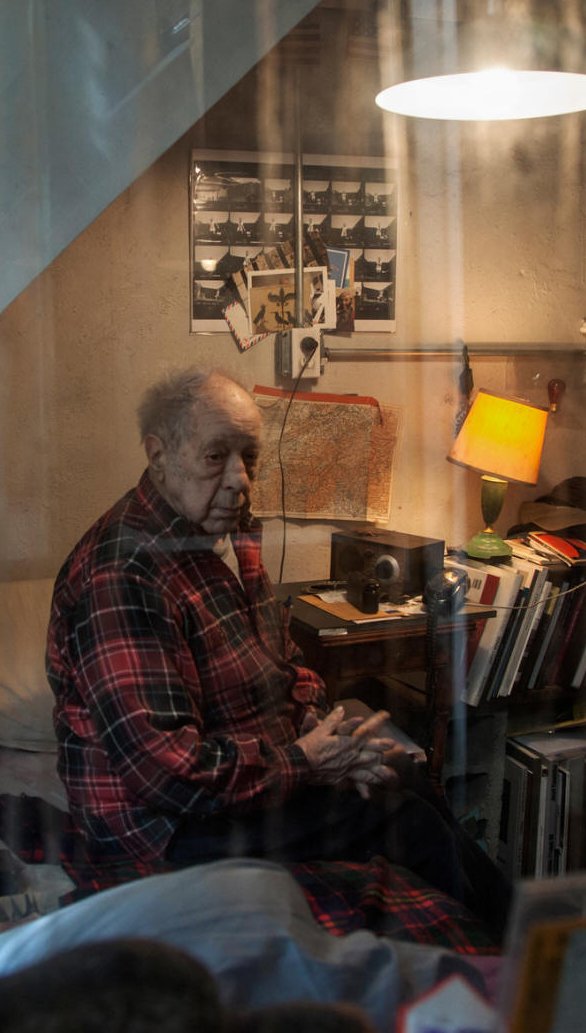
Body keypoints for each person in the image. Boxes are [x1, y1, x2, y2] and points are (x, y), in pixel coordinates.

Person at [46, 367, 511, 936]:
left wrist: (316, 721)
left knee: (403, 774)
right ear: (159, 455)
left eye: (249, 457)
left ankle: (526, 934)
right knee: (409, 826)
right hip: (166, 828)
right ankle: (508, 962)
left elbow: (281, 659)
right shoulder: (124, 574)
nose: (240, 479)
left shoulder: (226, 533)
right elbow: (169, 775)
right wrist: (307, 762)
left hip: (247, 776)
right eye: (215, 456)